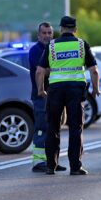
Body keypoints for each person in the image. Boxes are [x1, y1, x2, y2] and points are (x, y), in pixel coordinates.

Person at [36, 16, 101, 175]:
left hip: (55, 90)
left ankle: (51, 166)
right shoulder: (81, 44)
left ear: (60, 29)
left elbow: (40, 71)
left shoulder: (51, 46)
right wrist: (96, 89)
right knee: (75, 128)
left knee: (53, 128)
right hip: (75, 91)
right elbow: (94, 70)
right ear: (75, 29)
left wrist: (40, 90)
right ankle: (75, 167)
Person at [29, 22, 66, 173]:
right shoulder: (35, 50)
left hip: (55, 94)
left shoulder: (54, 48)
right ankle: (38, 162)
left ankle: (52, 161)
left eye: (49, 33)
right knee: (41, 128)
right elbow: (43, 71)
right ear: (38, 35)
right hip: (41, 95)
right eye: (44, 33)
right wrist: (60, 67)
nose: (47, 36)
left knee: (54, 129)